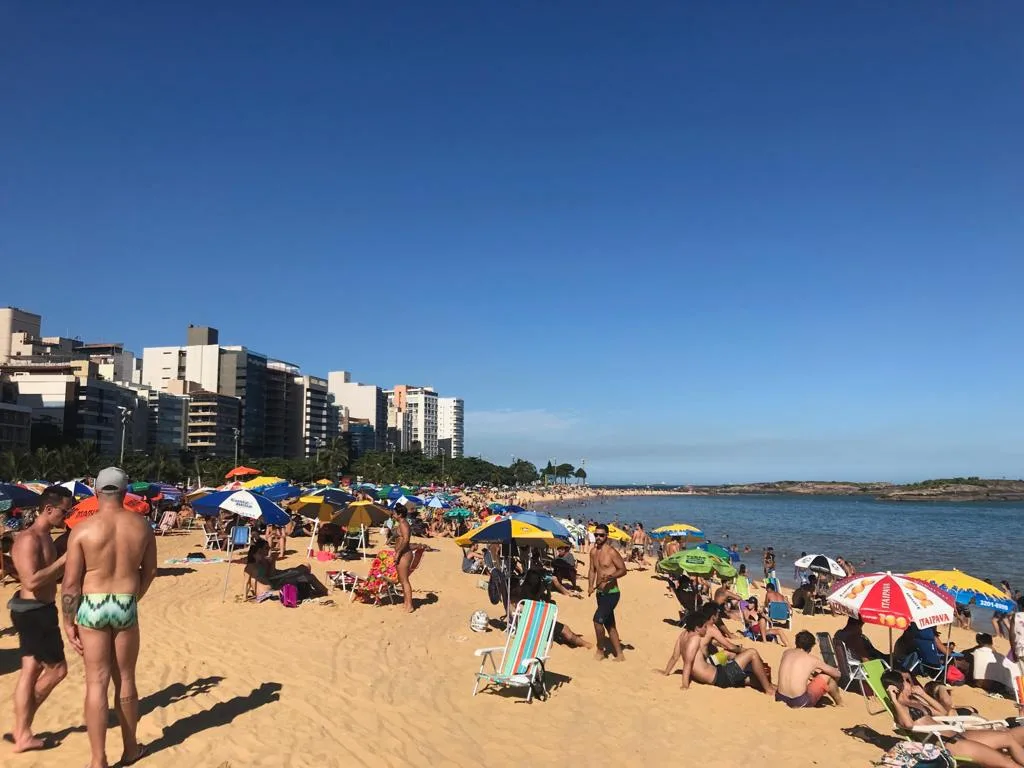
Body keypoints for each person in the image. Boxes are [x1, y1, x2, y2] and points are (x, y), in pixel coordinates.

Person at [61, 468, 157, 768]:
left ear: (96, 492)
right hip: (124, 601)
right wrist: (134, 597)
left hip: (92, 603)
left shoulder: (82, 529)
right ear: (125, 491)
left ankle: (97, 759)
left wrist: (68, 620)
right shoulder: (141, 526)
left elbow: (70, 584)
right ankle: (130, 750)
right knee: (125, 678)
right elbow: (150, 571)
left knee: (96, 682)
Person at [8, 485, 74, 753]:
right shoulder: (29, 539)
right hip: (33, 612)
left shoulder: (47, 537)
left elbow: (49, 576)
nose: (66, 516)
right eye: (63, 511)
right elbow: (32, 580)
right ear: (48, 509)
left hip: (39, 610)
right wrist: (64, 560)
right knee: (57, 670)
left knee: (31, 670)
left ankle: (21, 730)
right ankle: (23, 729)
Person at [883, 670, 1024, 768]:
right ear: (897, 687)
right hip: (950, 745)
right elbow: (907, 724)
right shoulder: (900, 707)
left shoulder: (914, 701)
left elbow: (942, 712)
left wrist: (924, 696)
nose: (910, 684)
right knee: (1007, 763)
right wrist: (894, 699)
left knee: (1007, 738)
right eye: (906, 681)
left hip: (958, 735)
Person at [679, 606, 775, 695]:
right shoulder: (711, 629)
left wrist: (666, 672)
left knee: (734, 661)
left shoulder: (687, 634)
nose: (719, 617)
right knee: (750, 652)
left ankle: (760, 680)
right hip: (715, 671)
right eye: (718, 615)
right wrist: (742, 649)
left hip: (711, 666)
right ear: (713, 617)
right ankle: (768, 688)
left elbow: (676, 657)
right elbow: (730, 646)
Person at [588, 523, 627, 661]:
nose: (598, 537)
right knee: (609, 624)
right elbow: (592, 570)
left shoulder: (611, 552)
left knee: (597, 620)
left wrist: (611, 577)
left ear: (607, 536)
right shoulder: (593, 552)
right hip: (599, 593)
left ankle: (600, 650)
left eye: (601, 535)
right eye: (596, 534)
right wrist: (590, 586)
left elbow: (623, 570)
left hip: (612, 593)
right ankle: (620, 654)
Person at [775, 630, 842, 708]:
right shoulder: (812, 659)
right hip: (799, 701)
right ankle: (840, 703)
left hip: (780, 698)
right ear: (810, 647)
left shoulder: (786, 652)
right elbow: (837, 673)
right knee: (827, 677)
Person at [245, 539, 328, 597]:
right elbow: (270, 575)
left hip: (276, 583)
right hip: (274, 586)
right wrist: (273, 561)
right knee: (308, 576)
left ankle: (316, 590)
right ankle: (324, 591)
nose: (268, 550)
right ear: (259, 551)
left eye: (269, 548)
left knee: (306, 567)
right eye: (266, 548)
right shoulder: (252, 566)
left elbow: (269, 575)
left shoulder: (263, 561)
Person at [392, 504, 421, 613]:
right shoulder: (401, 523)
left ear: (399, 514)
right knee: (402, 580)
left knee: (404, 581)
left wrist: (398, 552)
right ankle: (406, 602)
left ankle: (409, 605)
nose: (393, 515)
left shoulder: (404, 524)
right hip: (402, 554)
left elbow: (406, 540)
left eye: (394, 513)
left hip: (404, 554)